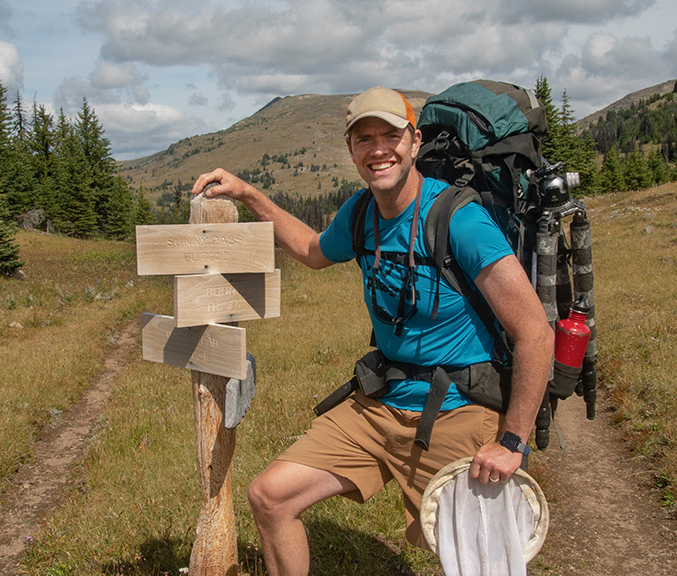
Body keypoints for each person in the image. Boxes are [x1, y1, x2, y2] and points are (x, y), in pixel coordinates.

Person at [191, 86, 554, 576]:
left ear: (415, 141)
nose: (379, 148)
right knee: (271, 497)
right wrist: (250, 194)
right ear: (351, 150)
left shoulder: (459, 219)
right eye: (365, 138)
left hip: (458, 410)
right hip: (380, 400)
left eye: (391, 134)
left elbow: (535, 332)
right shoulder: (360, 214)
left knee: (477, 557)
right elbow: (313, 250)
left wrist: (512, 441)